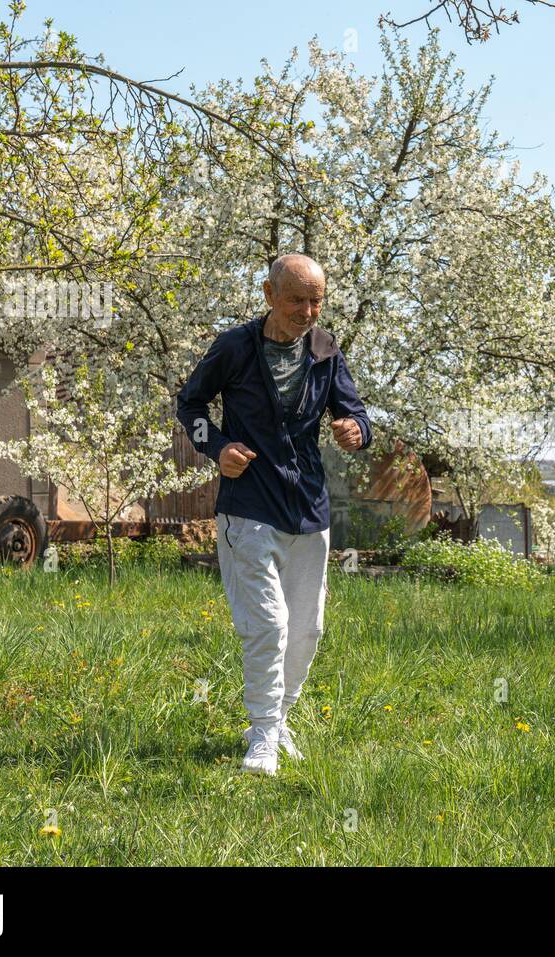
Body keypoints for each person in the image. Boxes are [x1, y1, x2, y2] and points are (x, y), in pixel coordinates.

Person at [176, 253, 372, 775]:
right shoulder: (234, 347)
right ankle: (262, 732)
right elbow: (189, 406)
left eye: (317, 300)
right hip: (249, 504)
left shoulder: (327, 351)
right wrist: (216, 447)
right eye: (296, 300)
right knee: (269, 623)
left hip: (308, 506)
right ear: (268, 294)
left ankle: (279, 719)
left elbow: (355, 413)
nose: (308, 311)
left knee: (307, 629)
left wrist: (356, 431)